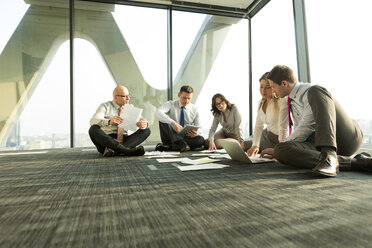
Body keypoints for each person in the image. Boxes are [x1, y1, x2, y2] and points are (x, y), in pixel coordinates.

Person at [260, 65, 372, 176]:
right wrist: (280, 148)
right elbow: (302, 133)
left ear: (284, 83)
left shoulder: (309, 91)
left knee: (317, 91)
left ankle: (330, 154)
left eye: (273, 87)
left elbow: (307, 126)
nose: (273, 91)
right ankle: (353, 162)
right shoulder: (290, 101)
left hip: (346, 137)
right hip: (320, 142)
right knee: (281, 150)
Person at [89, 85, 150, 157]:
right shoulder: (105, 106)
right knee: (93, 129)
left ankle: (115, 151)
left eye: (128, 95)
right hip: (107, 141)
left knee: (146, 130)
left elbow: (143, 119)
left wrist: (144, 124)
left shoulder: (130, 107)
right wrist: (109, 122)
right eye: (125, 96)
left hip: (125, 140)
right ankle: (126, 150)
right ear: (116, 97)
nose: (128, 98)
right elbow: (93, 121)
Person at [243, 72, 288, 156]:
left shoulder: (281, 101)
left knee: (245, 145)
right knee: (244, 144)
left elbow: (285, 127)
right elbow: (258, 125)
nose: (263, 90)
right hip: (266, 134)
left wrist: (281, 148)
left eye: (267, 87)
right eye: (261, 87)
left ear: (274, 86)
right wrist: (255, 145)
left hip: (278, 139)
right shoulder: (261, 102)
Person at [155, 85, 205, 152]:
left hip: (186, 138)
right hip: (172, 137)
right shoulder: (170, 104)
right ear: (179, 95)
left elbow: (200, 128)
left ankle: (175, 146)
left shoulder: (194, 109)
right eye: (184, 98)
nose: (186, 101)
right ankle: (183, 146)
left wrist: (195, 133)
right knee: (163, 120)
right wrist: (173, 123)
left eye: (189, 98)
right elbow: (157, 113)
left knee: (201, 140)